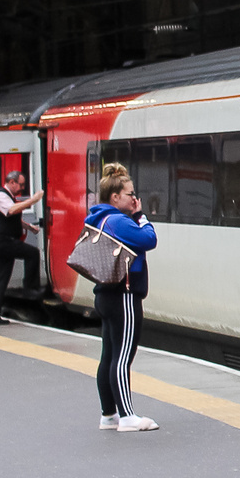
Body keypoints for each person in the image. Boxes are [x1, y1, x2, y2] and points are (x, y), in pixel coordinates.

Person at [87, 163, 160, 431]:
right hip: (124, 295)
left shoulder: (99, 217)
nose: (134, 198)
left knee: (109, 355)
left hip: (106, 294)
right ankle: (127, 416)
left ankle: (109, 415)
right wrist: (141, 215)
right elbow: (148, 239)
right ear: (115, 197)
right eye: (129, 193)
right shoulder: (119, 220)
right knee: (123, 356)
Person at [0, 168, 45, 325]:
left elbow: (13, 217)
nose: (22, 188)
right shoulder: (0, 195)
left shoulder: (7, 197)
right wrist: (34, 200)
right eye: (20, 185)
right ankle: (30, 289)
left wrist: (29, 227)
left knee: (1, 279)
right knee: (32, 253)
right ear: (11, 182)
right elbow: (12, 210)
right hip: (1, 242)